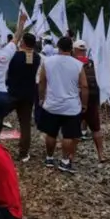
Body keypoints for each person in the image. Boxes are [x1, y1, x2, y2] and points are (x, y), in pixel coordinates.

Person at [38, 37, 86, 173]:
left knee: (51, 134)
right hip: (71, 107)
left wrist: (41, 98)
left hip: (52, 105)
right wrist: (85, 103)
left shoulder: (47, 62)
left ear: (58, 47)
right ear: (71, 48)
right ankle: (65, 161)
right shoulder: (78, 64)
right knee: (68, 136)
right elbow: (84, 85)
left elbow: (42, 82)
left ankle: (49, 158)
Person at [5, 33, 42, 162]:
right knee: (25, 124)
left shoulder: (14, 56)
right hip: (29, 93)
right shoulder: (37, 57)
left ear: (23, 42)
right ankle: (23, 153)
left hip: (13, 92)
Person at [73, 40, 109, 163]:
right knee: (96, 128)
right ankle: (101, 154)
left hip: (77, 100)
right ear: (84, 51)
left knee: (73, 129)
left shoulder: (73, 63)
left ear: (74, 50)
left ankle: (71, 156)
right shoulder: (92, 63)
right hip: (93, 100)